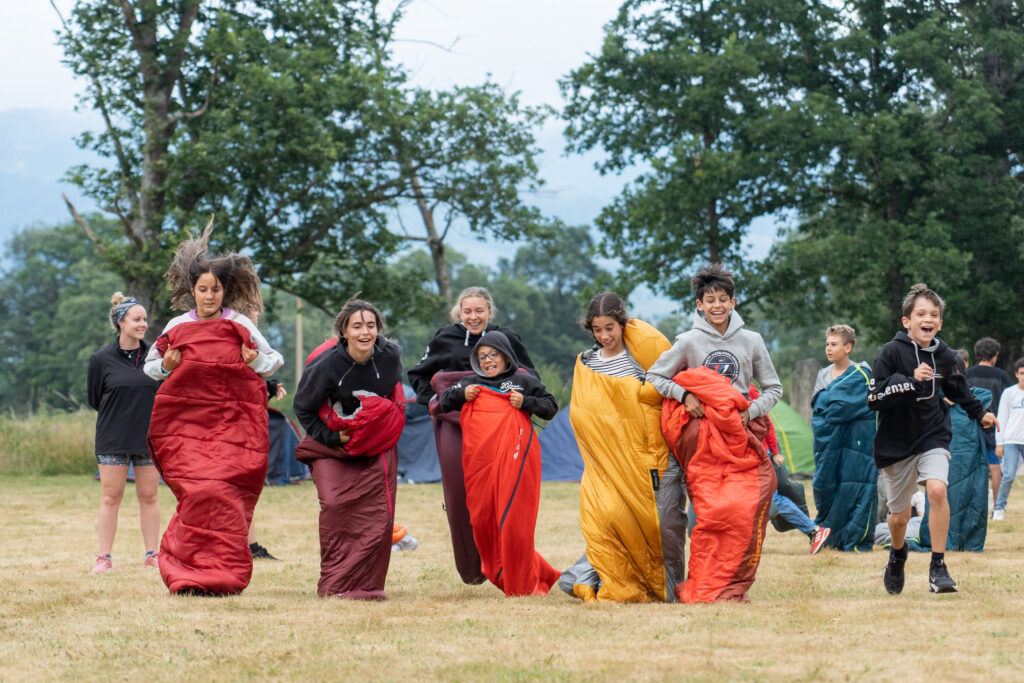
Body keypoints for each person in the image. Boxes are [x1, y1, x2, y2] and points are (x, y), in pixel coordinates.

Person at [144, 224, 284, 595]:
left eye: (215, 289)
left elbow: (274, 361)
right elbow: (149, 367)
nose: (209, 296)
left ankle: (221, 575)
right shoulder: (177, 326)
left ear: (225, 291)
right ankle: (185, 573)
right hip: (189, 431)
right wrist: (167, 367)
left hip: (233, 430)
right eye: (203, 290)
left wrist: (254, 362)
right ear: (193, 291)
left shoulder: (238, 324)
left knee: (222, 498)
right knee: (197, 495)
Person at [650, 264, 781, 603]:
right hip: (701, 440)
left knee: (741, 509)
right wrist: (686, 395)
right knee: (710, 515)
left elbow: (773, 388)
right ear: (699, 305)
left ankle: (728, 584)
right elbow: (656, 376)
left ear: (733, 302)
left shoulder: (751, 340)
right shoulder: (687, 341)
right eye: (710, 300)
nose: (717, 306)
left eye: (723, 299)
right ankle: (703, 584)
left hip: (740, 437)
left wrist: (748, 412)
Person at [868, 283, 996, 595]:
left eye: (934, 315)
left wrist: (979, 413)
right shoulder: (890, 352)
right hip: (896, 444)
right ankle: (897, 555)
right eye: (921, 313)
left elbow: (959, 390)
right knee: (898, 518)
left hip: (933, 435)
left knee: (937, 490)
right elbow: (874, 398)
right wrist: (911, 382)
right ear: (906, 321)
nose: (928, 319)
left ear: (939, 322)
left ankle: (938, 566)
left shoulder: (947, 356)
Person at [407, 287, 538, 585]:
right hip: (455, 425)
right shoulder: (445, 338)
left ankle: (507, 565)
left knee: (502, 494)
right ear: (459, 313)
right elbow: (418, 375)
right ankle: (472, 568)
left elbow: (529, 375)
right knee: (460, 496)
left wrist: (517, 397)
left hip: (499, 428)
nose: (473, 316)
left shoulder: (508, 339)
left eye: (479, 310)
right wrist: (432, 401)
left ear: (490, 312)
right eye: (467, 311)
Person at [559, 292, 684, 603]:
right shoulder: (586, 363)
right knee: (608, 518)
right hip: (603, 464)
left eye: (610, 328)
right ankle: (593, 574)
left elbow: (659, 395)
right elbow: (584, 409)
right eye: (597, 330)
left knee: (661, 528)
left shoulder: (639, 358)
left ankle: (667, 587)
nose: (604, 336)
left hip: (645, 460)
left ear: (622, 324)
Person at [293, 299, 405, 600]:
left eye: (370, 325)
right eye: (357, 326)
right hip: (333, 440)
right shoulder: (327, 364)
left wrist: (379, 426)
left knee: (379, 515)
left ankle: (367, 586)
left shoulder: (391, 355)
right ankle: (336, 583)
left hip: (374, 444)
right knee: (334, 505)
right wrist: (332, 438)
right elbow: (302, 408)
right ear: (344, 331)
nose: (364, 332)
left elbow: (392, 398)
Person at [437, 333, 560, 596]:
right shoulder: (471, 383)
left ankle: (523, 583)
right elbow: (443, 402)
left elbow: (550, 406)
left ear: (505, 356)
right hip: (480, 464)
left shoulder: (523, 381)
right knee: (483, 521)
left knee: (513, 521)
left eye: (493, 354)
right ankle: (523, 571)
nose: (488, 360)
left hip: (515, 459)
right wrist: (461, 393)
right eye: (482, 357)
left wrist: (525, 402)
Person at [86, 292, 161, 573]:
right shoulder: (101, 359)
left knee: (149, 496)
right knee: (110, 497)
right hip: (112, 439)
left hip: (148, 438)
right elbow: (95, 399)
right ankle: (104, 558)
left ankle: (152, 555)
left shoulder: (156, 357)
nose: (143, 324)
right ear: (121, 322)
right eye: (136, 319)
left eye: (144, 319)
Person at [810, 325, 877, 551]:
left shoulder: (861, 374)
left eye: (834, 344)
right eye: (827, 344)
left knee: (854, 484)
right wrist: (835, 410)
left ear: (848, 347)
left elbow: (864, 405)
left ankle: (853, 535)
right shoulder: (823, 375)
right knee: (823, 484)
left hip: (855, 442)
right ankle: (829, 535)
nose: (828, 348)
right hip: (829, 442)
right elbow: (820, 407)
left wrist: (838, 408)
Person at [965, 337, 1012, 514]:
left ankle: (973, 505)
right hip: (995, 425)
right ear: (994, 356)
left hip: (973, 423)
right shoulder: (1001, 376)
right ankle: (997, 507)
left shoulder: (968, 374)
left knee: (973, 465)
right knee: (994, 465)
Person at [994, 358, 1024, 520]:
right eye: (1022, 373)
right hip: (1011, 440)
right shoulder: (1009, 393)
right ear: (1016, 374)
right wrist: (1000, 443)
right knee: (1008, 475)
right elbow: (1002, 418)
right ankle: (999, 508)